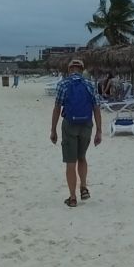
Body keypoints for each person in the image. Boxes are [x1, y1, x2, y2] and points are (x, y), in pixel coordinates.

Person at [50, 59, 102, 208]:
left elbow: (57, 108)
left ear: (69, 69)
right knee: (82, 157)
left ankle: (73, 197)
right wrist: (99, 130)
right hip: (86, 125)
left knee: (70, 163)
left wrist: (53, 130)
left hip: (69, 125)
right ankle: (83, 187)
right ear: (82, 69)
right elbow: (96, 108)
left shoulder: (63, 84)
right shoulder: (90, 84)